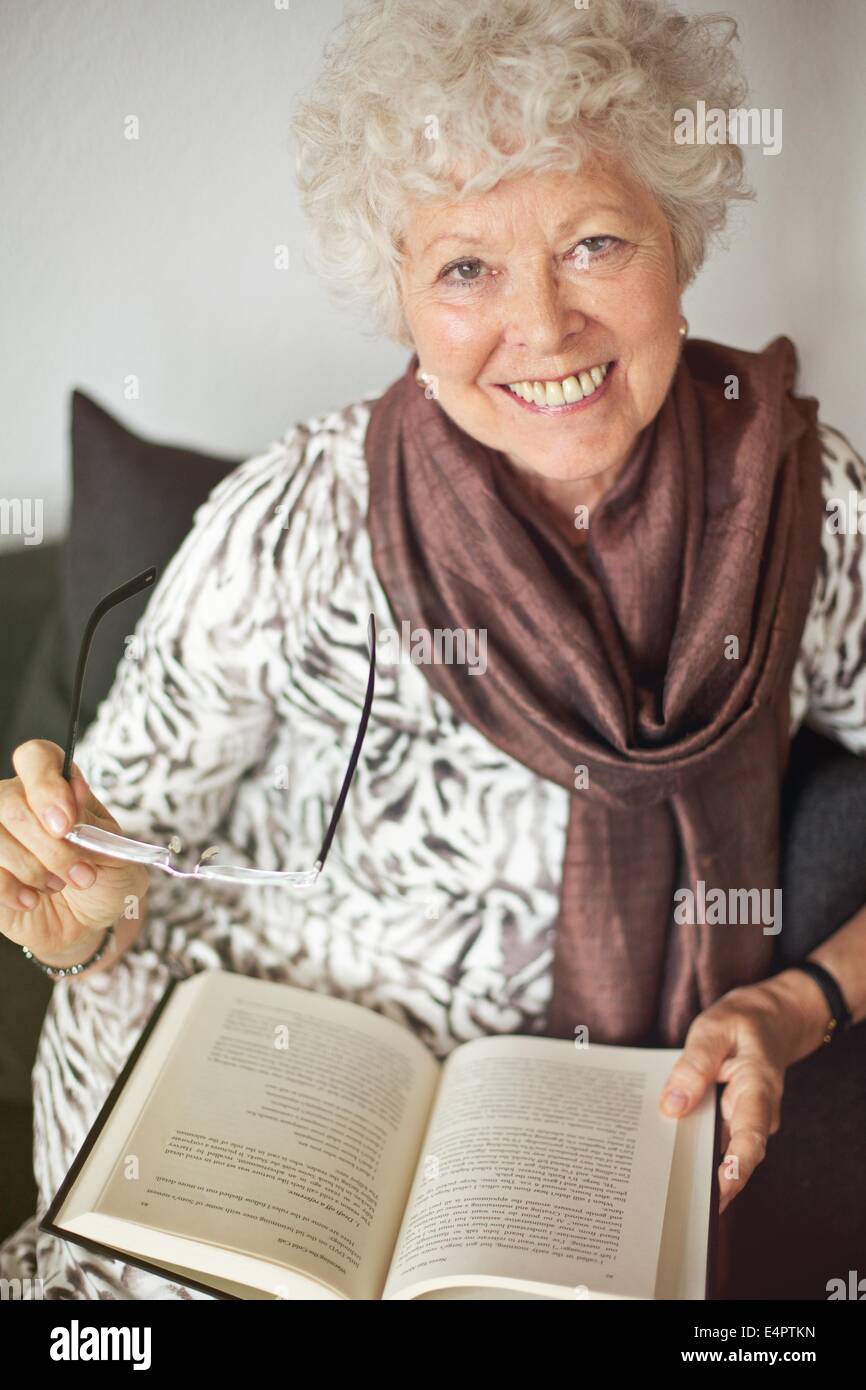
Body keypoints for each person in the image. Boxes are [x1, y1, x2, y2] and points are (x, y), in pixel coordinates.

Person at [1, 0, 864, 1298]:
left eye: (591, 242)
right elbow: (114, 875)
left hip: (566, 1146)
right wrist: (74, 920)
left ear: (677, 239)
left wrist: (795, 1006)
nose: (542, 322)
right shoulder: (300, 511)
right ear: (398, 288)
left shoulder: (807, 507)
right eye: (464, 267)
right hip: (236, 1092)